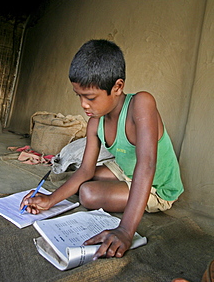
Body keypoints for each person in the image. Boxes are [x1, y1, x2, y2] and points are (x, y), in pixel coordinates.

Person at [20, 39, 184, 259]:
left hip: (158, 185)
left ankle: (141, 200)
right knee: (82, 179)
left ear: (117, 87)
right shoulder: (95, 122)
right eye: (78, 95)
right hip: (124, 169)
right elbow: (85, 170)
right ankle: (112, 188)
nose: (83, 105)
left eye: (90, 97)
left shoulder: (142, 104)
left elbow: (146, 165)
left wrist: (126, 231)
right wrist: (49, 200)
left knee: (87, 193)